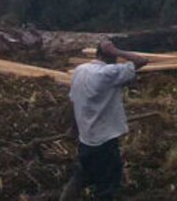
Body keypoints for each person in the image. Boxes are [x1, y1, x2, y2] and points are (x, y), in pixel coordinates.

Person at [61, 40, 148, 201]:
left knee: (82, 175)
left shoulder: (80, 70)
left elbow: (74, 101)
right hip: (104, 142)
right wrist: (117, 51)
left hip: (86, 140)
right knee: (107, 186)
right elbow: (141, 61)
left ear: (96, 54)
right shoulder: (108, 73)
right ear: (111, 56)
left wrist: (74, 128)